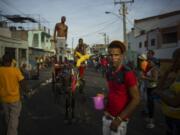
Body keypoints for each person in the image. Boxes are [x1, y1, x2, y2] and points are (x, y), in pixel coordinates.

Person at [103, 40, 140, 135]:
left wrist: (119, 119)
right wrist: (104, 97)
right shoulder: (109, 72)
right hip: (107, 116)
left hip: (119, 120)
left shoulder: (128, 73)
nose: (113, 58)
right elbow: (113, 92)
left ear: (121, 56)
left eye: (116, 55)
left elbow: (136, 99)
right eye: (110, 55)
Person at [153, 48, 180, 135]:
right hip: (170, 117)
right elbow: (160, 87)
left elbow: (175, 102)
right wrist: (166, 72)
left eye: (174, 58)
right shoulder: (176, 76)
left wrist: (159, 93)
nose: (172, 61)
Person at [0, 53, 25, 135]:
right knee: (13, 119)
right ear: (11, 61)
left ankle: (9, 130)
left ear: (3, 61)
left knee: (7, 118)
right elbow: (22, 82)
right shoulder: (15, 70)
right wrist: (25, 91)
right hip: (14, 99)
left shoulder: (0, 70)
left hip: (3, 99)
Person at [141, 57, 159, 128]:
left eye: (150, 62)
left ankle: (151, 122)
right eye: (148, 62)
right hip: (149, 87)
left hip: (152, 88)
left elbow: (155, 79)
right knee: (149, 103)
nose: (149, 63)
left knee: (151, 104)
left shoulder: (154, 69)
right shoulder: (151, 68)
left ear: (154, 62)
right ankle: (150, 118)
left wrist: (145, 78)